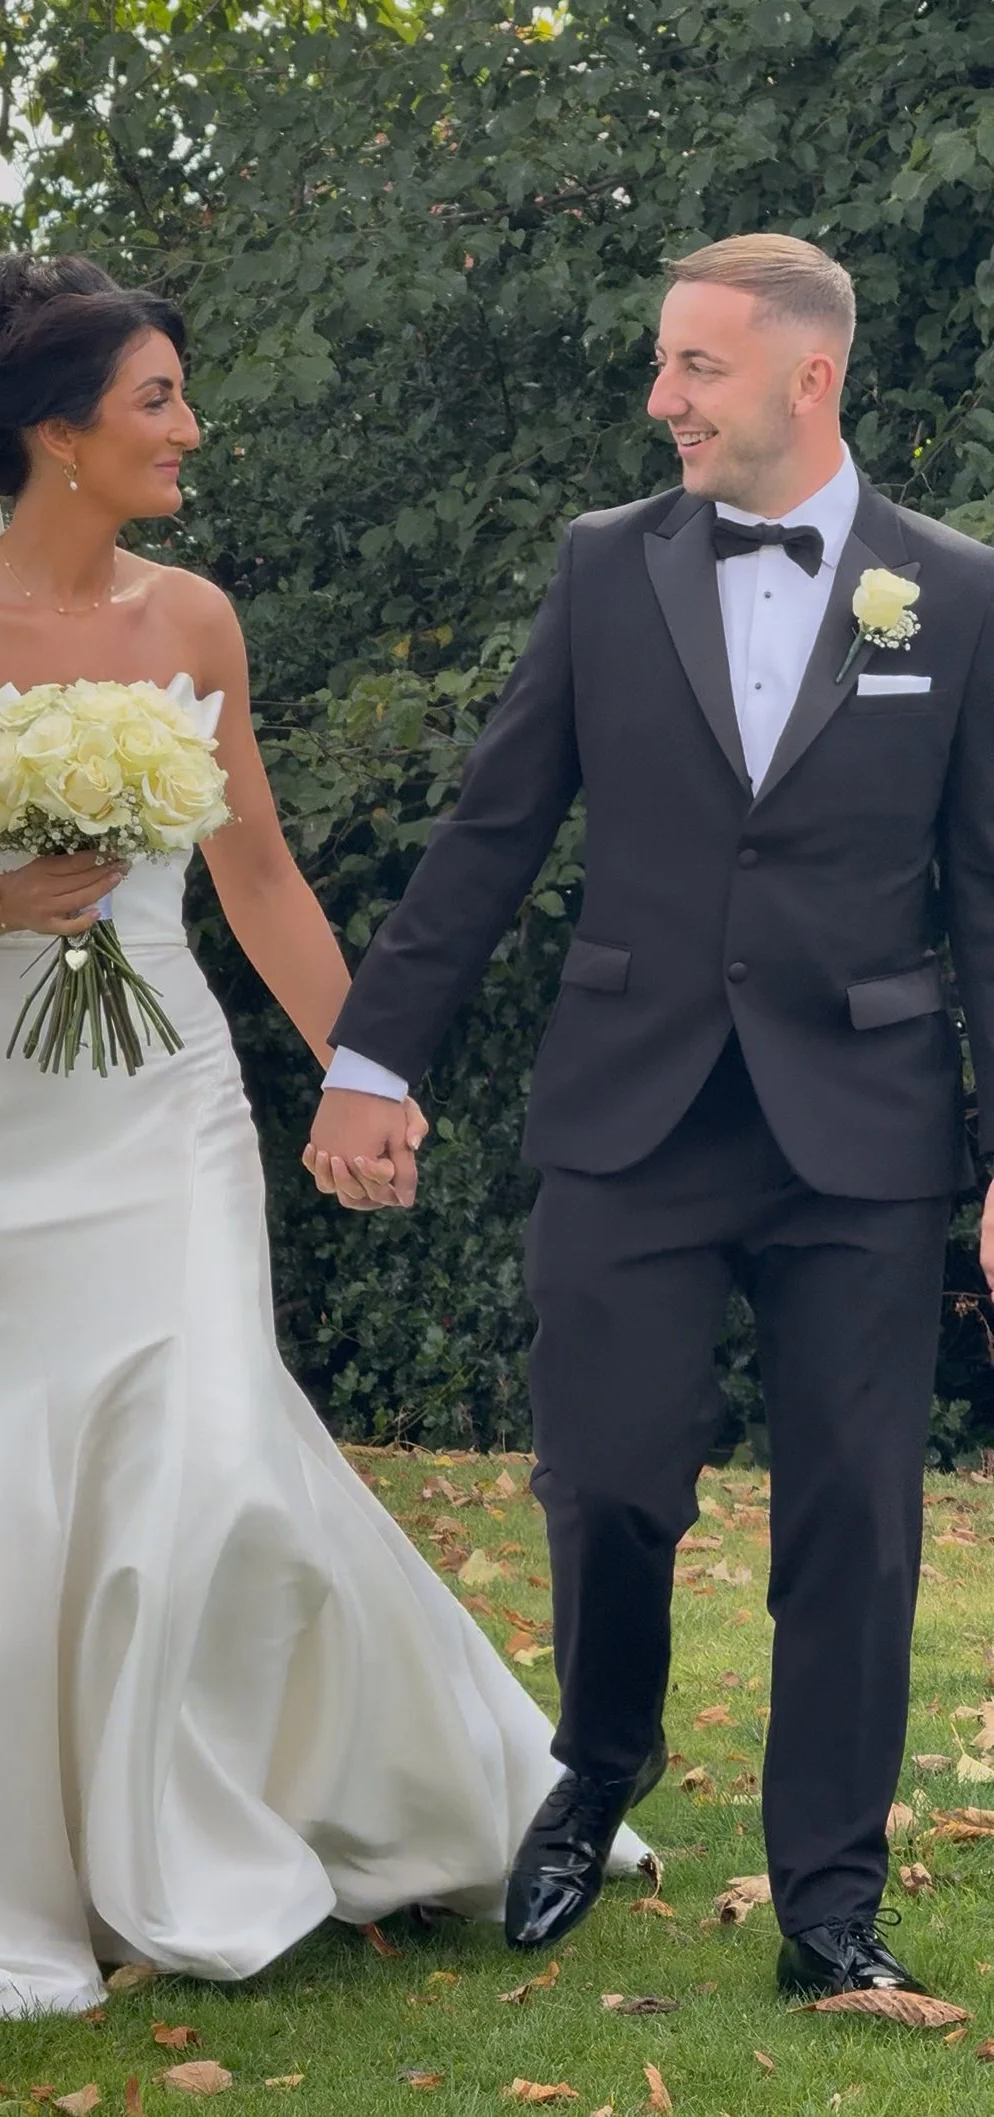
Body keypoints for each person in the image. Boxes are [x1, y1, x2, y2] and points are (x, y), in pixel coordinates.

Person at [0, 247, 654, 2019]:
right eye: (159, 399)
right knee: (15, 1457)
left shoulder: (193, 619)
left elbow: (253, 874)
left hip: (163, 1090)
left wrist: (364, 1070)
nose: (191, 427)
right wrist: (3, 899)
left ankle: (261, 1815)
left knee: (209, 1441)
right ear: (59, 433)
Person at [306, 232, 994, 1998]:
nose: (659, 397)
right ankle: (600, 1760)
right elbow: (494, 824)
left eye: (695, 365)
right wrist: (374, 1059)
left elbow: (987, 888)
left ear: (805, 376)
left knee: (853, 1519)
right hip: (634, 1110)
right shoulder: (604, 565)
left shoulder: (956, 592)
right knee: (606, 1480)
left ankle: (827, 1903)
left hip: (862, 1129)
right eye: (662, 362)